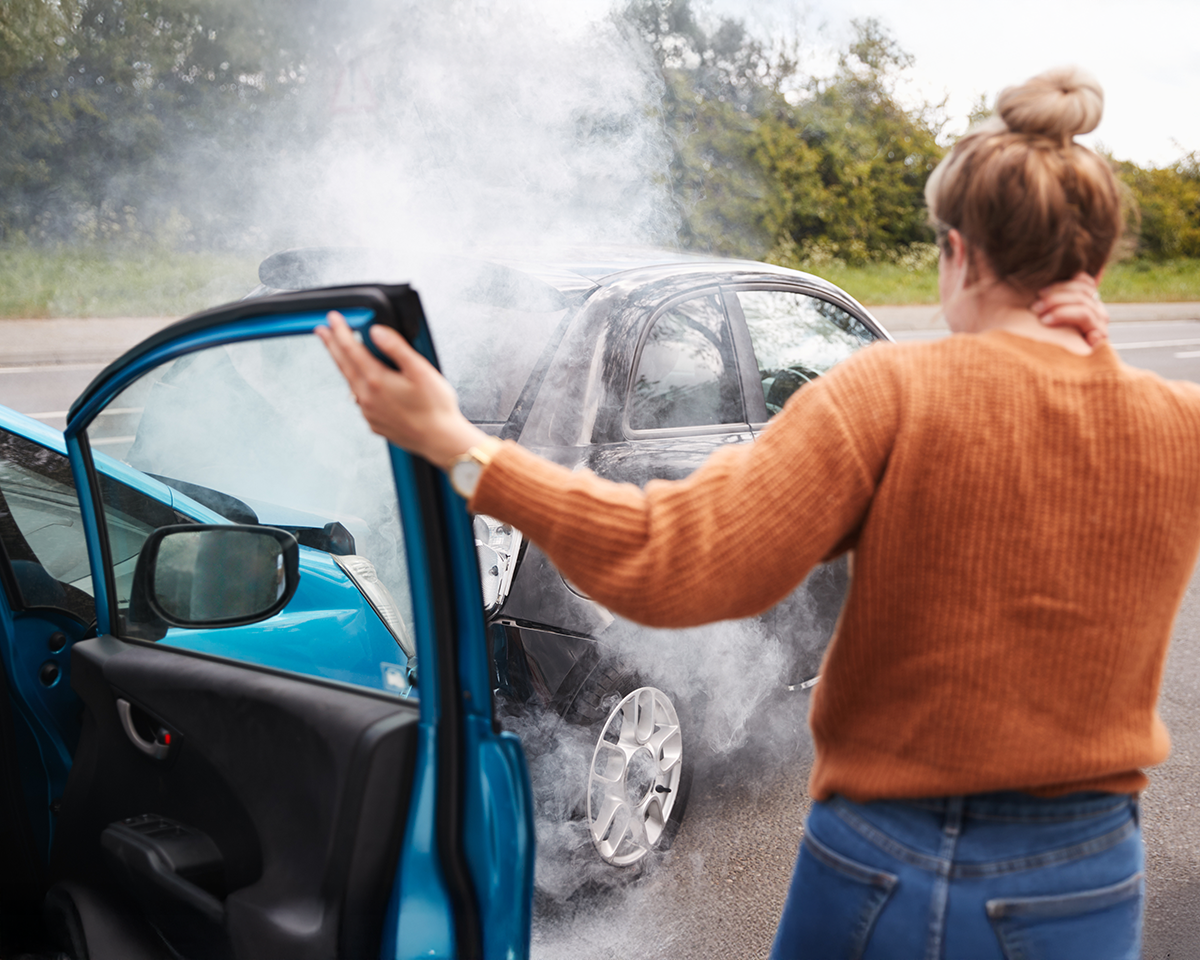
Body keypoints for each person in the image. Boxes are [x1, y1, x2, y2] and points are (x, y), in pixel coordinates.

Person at [317, 66, 1193, 960]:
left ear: (958, 252)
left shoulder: (887, 397)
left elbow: (669, 566)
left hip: (889, 867)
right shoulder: (1179, 426)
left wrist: (457, 446)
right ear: (1092, 264)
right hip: (1088, 878)